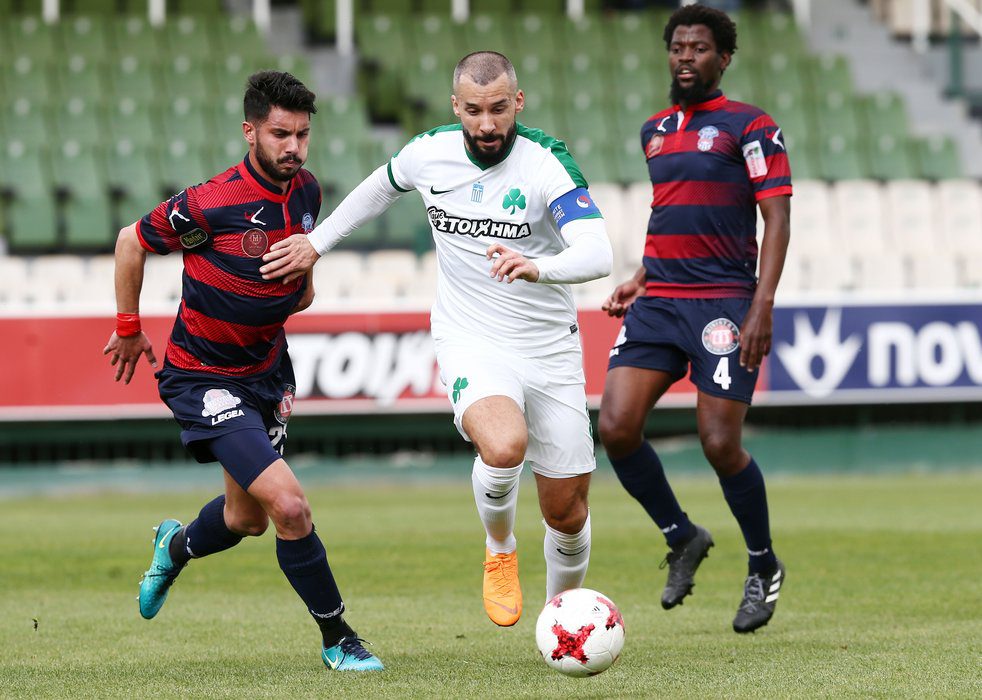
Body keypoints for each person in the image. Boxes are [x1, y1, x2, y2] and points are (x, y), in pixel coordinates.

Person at [259, 51, 613, 628]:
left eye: (498, 109)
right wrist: (316, 244)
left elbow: (598, 253)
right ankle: (500, 547)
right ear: (456, 106)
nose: (487, 124)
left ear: (518, 103)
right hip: (470, 335)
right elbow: (378, 190)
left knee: (567, 514)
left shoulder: (547, 164)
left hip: (549, 346)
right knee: (503, 447)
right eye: (473, 110)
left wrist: (537, 267)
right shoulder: (429, 152)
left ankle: (559, 622)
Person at [102, 71, 383, 671]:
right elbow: (130, 241)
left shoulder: (307, 191)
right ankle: (339, 638)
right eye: (281, 134)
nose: (294, 147)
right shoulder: (211, 202)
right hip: (203, 376)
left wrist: (300, 282)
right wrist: (128, 327)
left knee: (244, 519)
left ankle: (174, 546)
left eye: (303, 135)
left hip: (267, 374)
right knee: (290, 506)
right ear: (250, 132)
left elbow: (302, 275)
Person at [598, 4, 791, 634]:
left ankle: (762, 564)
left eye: (699, 47)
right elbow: (673, 213)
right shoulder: (654, 130)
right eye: (678, 46)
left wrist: (762, 304)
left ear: (724, 58)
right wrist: (641, 277)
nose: (686, 56)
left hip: (724, 303)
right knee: (616, 427)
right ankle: (682, 535)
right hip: (660, 300)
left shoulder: (752, 126)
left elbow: (777, 218)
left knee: (719, 443)